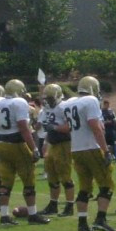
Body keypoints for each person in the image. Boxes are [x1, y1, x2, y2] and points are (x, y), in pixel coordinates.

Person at [64, 75, 116, 231]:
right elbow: (95, 127)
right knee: (107, 185)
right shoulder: (90, 101)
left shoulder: (69, 103)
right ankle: (100, 219)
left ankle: (82, 224)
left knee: (85, 187)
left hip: (76, 149)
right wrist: (106, 150)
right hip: (91, 148)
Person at [0, 78, 49, 225]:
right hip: (17, 144)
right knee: (29, 179)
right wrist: (34, 148)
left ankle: (4, 216)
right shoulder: (19, 103)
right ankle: (33, 214)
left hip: (1, 143)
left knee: (6, 181)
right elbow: (23, 128)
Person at [37, 83, 76, 217]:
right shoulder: (48, 109)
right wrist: (46, 142)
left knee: (65, 176)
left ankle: (70, 206)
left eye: (50, 98)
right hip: (52, 144)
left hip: (64, 143)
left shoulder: (64, 107)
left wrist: (54, 128)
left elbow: (71, 126)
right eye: (47, 98)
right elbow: (48, 127)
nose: (48, 101)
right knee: (52, 176)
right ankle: (53, 205)